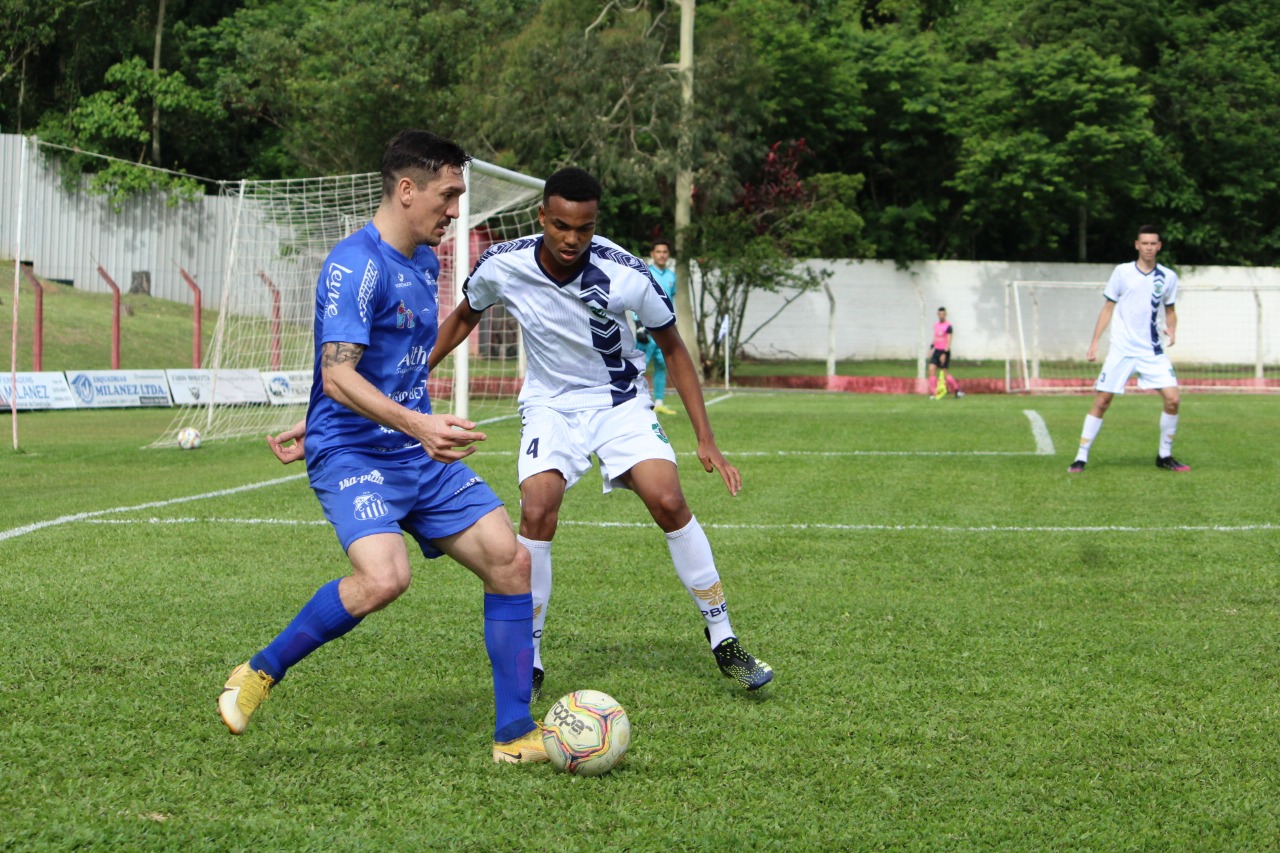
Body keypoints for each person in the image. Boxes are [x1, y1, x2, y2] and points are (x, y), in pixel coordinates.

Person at [219, 129, 548, 765]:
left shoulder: (425, 262)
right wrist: (407, 424)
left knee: (511, 563)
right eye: (448, 195)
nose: (456, 211)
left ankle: (514, 734)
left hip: (410, 447)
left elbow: (395, 363)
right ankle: (258, 670)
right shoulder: (354, 265)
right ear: (406, 190)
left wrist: (394, 422)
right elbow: (338, 373)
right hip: (354, 452)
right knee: (383, 578)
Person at [431, 167, 774, 699]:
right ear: (542, 216)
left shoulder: (629, 274)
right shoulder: (503, 265)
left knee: (667, 498)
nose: (572, 239)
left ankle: (724, 638)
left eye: (584, 229)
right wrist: (413, 374)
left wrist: (705, 437)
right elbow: (462, 317)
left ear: (595, 224)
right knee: (538, 507)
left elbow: (675, 347)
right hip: (550, 404)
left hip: (620, 401)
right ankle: (533, 654)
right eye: (562, 226)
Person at [1068, 225, 1188, 473]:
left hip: (1152, 351)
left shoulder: (1168, 277)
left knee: (1173, 400)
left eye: (1153, 243)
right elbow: (1108, 308)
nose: (1149, 248)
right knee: (1102, 401)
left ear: (1159, 246)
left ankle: (1164, 456)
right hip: (1122, 350)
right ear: (1137, 245)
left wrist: (1172, 330)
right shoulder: (1122, 272)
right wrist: (1094, 342)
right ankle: (1081, 457)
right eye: (1144, 243)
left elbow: (1170, 310)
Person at [639, 239, 677, 416]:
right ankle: (637, 401)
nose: (662, 255)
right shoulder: (645, 273)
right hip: (646, 328)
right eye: (658, 252)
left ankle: (660, 402)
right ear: (652, 254)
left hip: (665, 329)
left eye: (665, 252)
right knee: (640, 367)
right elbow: (637, 298)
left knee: (662, 365)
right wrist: (639, 325)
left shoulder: (671, 276)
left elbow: (671, 300)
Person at [927, 307, 962, 400]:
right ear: (937, 315)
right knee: (931, 369)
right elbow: (935, 337)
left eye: (943, 314)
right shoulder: (936, 325)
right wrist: (931, 348)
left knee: (944, 373)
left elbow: (949, 341)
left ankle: (957, 390)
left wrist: (944, 353)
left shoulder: (949, 326)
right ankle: (933, 393)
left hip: (944, 352)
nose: (941, 316)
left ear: (945, 315)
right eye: (939, 314)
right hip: (936, 351)